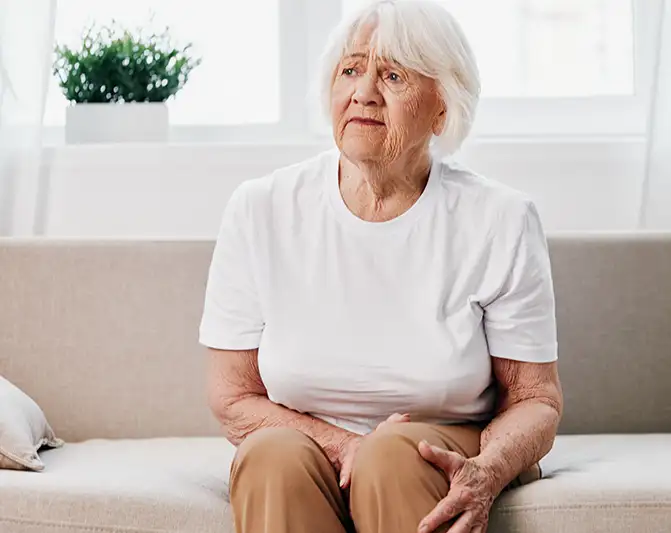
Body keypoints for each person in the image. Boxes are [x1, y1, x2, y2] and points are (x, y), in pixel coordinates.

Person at [199, 1, 563, 532]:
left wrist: (485, 470)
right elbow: (232, 396)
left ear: (443, 107)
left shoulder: (499, 219)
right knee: (271, 456)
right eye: (351, 69)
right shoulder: (261, 209)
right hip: (307, 446)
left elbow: (536, 399)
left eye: (392, 74)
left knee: (395, 454)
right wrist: (348, 446)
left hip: (446, 441)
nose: (363, 91)